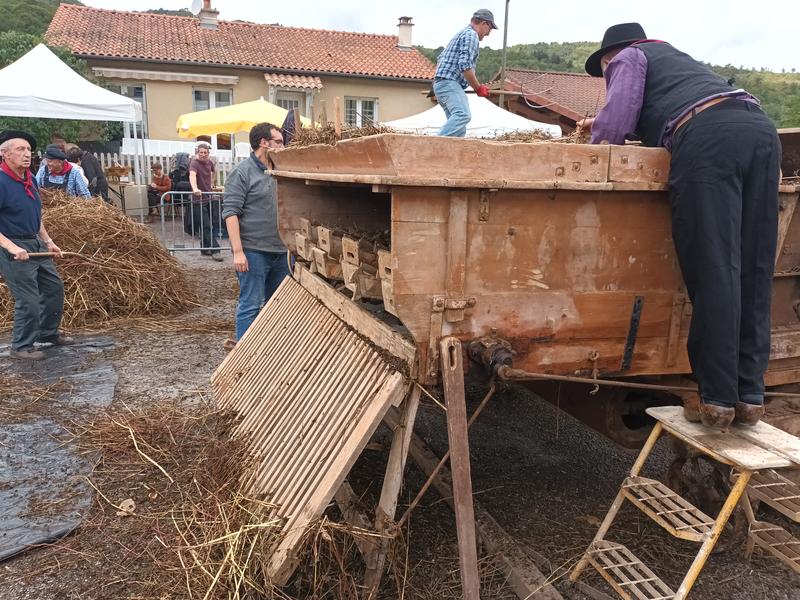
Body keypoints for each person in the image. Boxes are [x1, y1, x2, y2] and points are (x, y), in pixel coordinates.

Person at [580, 23, 781, 429]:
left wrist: (589, 149)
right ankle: (749, 396)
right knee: (755, 269)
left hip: (708, 141)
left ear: (608, 57)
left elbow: (614, 127)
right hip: (761, 132)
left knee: (715, 267)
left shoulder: (626, 56)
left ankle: (718, 398)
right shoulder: (681, 64)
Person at [0, 130, 73, 360]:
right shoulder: (1, 181)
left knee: (53, 289)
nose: (27, 154)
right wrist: (12, 248)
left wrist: (49, 242)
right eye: (20, 149)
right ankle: (21, 346)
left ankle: (47, 332)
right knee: (28, 298)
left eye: (29, 150)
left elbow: (35, 214)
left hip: (35, 242)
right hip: (12, 245)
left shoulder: (29, 179)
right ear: (4, 153)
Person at [222, 123, 289, 344]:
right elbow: (230, 213)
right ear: (263, 142)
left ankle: (269, 350)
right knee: (250, 305)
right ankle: (243, 357)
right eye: (278, 142)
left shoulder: (281, 170)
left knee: (277, 305)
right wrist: (238, 252)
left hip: (282, 251)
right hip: (253, 252)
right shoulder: (242, 173)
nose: (283, 146)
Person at [433, 9, 497, 137]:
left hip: (442, 84)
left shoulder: (461, 34)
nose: (489, 34)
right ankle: (429, 148)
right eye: (490, 29)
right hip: (449, 83)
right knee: (462, 115)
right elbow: (465, 66)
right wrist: (478, 88)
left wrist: (438, 84)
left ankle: (448, 156)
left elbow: (440, 59)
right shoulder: (471, 35)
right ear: (484, 23)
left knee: (458, 131)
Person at [189, 142, 222, 261]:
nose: (203, 155)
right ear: (197, 153)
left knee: (207, 225)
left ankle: (204, 249)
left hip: (208, 197)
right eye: (201, 152)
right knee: (206, 225)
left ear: (208, 153)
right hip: (198, 199)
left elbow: (214, 172)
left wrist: (212, 183)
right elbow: (192, 176)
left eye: (205, 153)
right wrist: (195, 188)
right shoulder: (194, 163)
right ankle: (216, 250)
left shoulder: (209, 162)